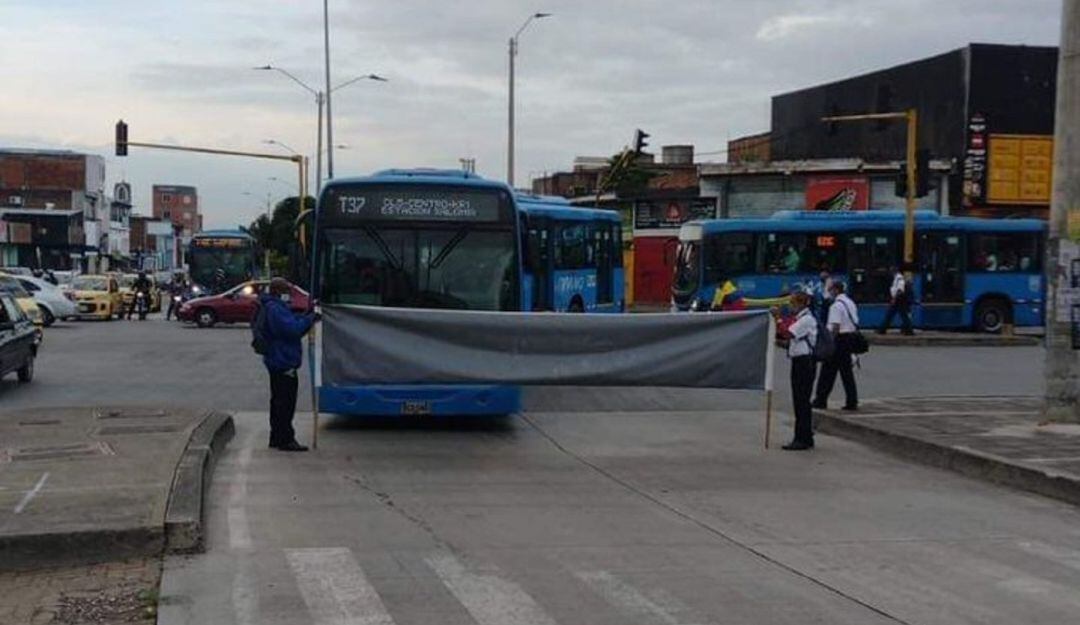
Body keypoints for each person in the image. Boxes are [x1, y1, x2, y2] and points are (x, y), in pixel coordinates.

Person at [258, 277, 317, 452]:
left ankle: (276, 437)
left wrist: (306, 317)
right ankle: (286, 439)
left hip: (277, 359)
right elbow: (292, 330)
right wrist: (310, 319)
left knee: (278, 401)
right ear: (279, 292)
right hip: (283, 361)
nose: (289, 295)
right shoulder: (275, 309)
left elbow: (292, 324)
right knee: (286, 403)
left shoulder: (273, 307)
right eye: (287, 291)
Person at [775, 292, 817, 450]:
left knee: (801, 402)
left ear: (800, 304)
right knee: (800, 401)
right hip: (800, 361)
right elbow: (792, 341)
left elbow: (788, 333)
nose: (790, 306)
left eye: (792, 303)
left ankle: (801, 438)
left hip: (804, 363)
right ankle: (806, 436)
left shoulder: (806, 320)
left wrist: (778, 318)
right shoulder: (801, 319)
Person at [812, 281, 859, 411]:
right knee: (846, 373)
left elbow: (835, 327)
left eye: (830, 290)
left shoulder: (836, 306)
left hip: (838, 340)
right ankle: (852, 400)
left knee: (827, 372)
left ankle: (821, 400)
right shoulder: (850, 302)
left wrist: (829, 343)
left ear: (836, 290)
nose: (829, 293)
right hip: (849, 339)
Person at [878, 266, 913, 335]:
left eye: (891, 271)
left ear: (894, 271)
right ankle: (882, 329)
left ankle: (909, 330)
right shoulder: (896, 278)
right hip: (898, 299)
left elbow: (900, 290)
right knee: (891, 314)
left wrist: (894, 299)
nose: (890, 273)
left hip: (899, 299)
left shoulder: (899, 278)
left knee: (901, 315)